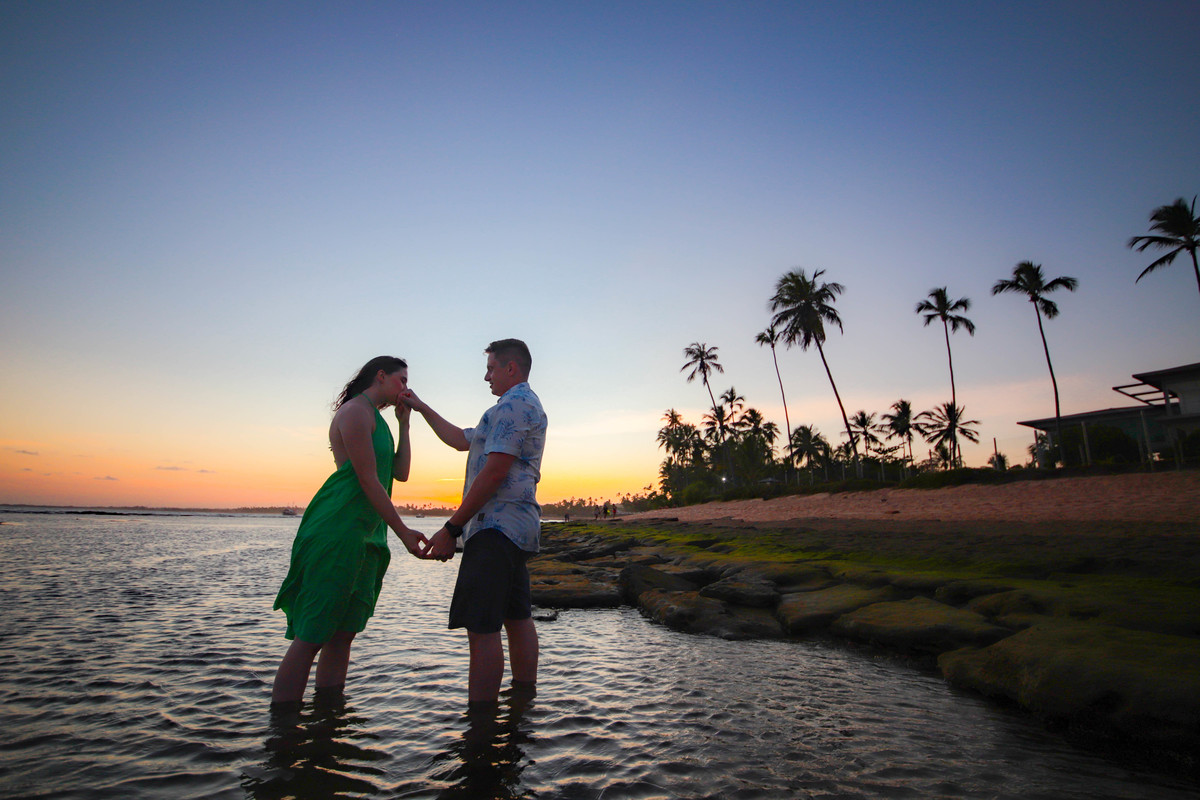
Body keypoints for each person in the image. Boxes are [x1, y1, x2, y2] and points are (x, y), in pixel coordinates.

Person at [271, 356, 428, 707]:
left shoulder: (380, 420)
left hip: (366, 532)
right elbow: (367, 479)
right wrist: (402, 531)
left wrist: (404, 424)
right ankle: (282, 734)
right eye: (401, 380)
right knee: (312, 636)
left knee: (343, 634)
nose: (406, 388)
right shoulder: (356, 411)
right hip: (338, 527)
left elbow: (399, 474)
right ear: (381, 376)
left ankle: (328, 718)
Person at [403, 339, 547, 709]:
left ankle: (480, 723)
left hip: (495, 529)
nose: (486, 376)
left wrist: (452, 528)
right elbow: (460, 440)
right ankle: (522, 704)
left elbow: (495, 471)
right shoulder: (508, 409)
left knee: (482, 628)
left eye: (491, 368)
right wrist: (420, 408)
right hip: (515, 529)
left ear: (511, 368)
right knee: (517, 617)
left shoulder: (515, 405)